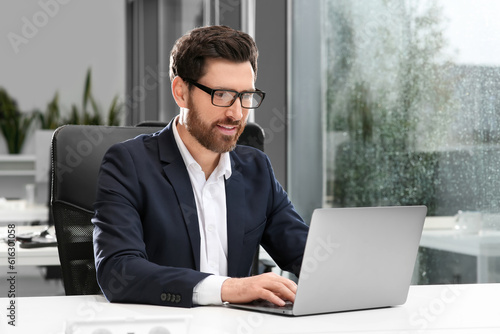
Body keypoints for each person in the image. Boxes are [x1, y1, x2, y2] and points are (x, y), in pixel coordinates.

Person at [92, 25, 309, 308]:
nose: (236, 113)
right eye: (221, 95)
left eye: (245, 96)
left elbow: (307, 256)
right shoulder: (128, 165)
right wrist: (227, 288)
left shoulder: (257, 169)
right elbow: (118, 271)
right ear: (181, 92)